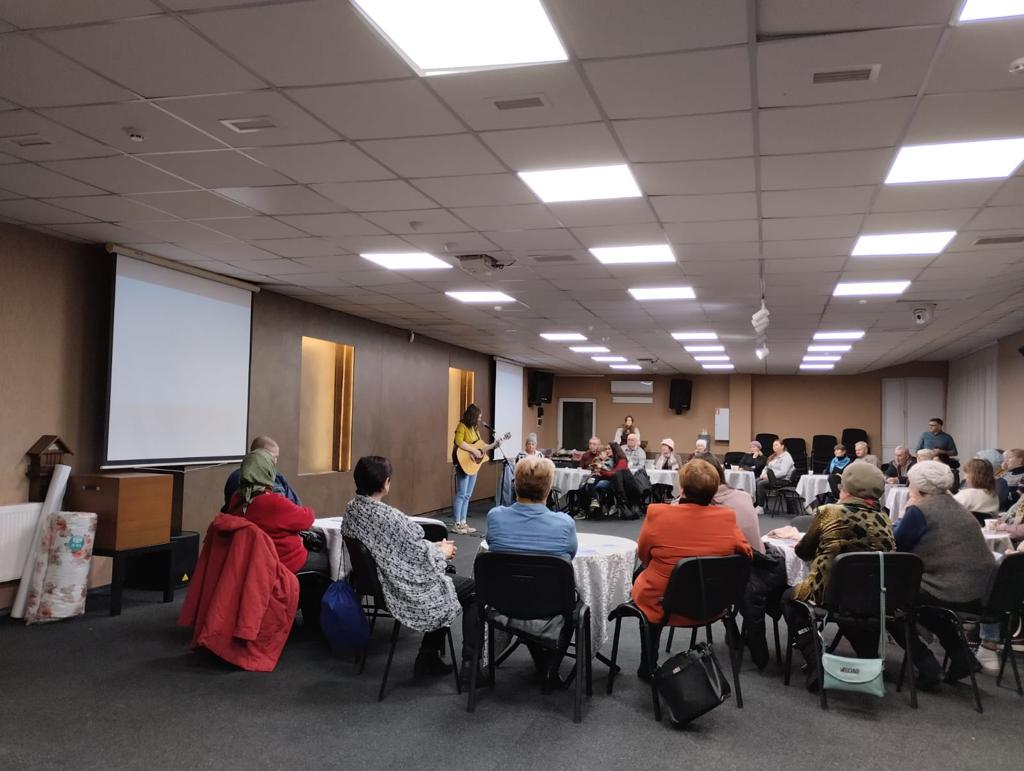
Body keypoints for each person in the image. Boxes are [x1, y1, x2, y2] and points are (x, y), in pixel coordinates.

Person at [342, 456, 480, 683]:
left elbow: (397, 548)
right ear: (385, 483)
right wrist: (442, 552)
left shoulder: (352, 509)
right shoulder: (390, 517)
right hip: (397, 588)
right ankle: (467, 668)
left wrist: (434, 548)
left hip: (376, 584)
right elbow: (414, 553)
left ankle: (429, 657)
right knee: (472, 590)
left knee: (443, 574)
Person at [632, 459, 753, 677]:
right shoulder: (727, 517)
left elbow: (643, 554)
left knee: (643, 580)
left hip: (663, 606)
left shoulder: (658, 514)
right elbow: (746, 553)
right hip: (712, 604)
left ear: (682, 488)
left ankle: (648, 664)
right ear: (714, 490)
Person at [781, 462, 895, 691]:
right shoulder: (884, 518)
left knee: (788, 598)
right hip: (872, 595)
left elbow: (803, 552)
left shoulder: (829, 511)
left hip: (828, 592)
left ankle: (815, 662)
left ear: (847, 488)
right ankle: (869, 660)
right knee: (852, 607)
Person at [893, 461, 995, 688]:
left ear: (918, 487)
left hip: (948, 588)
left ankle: (926, 664)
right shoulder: (957, 506)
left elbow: (896, 545)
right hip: (980, 591)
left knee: (886, 601)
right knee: (930, 607)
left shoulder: (920, 511)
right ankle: (962, 657)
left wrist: (902, 514)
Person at [486, 455, 578, 690]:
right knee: (575, 602)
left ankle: (542, 663)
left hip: (505, 600)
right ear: (549, 488)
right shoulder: (564, 523)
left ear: (515, 484)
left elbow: (493, 546)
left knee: (527, 590)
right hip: (551, 604)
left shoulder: (495, 517)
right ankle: (550, 668)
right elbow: (569, 556)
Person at [225, 449, 318, 573]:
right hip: (285, 562)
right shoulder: (273, 502)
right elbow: (307, 519)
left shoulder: (237, 498)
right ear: (268, 471)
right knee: (334, 562)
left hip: (252, 564)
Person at [452, 403, 503, 534]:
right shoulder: (462, 426)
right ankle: (456, 524)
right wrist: (473, 450)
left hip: (473, 465)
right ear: (473, 416)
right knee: (461, 493)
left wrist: (494, 445)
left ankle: (463, 522)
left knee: (468, 495)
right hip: (463, 463)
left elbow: (481, 446)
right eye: (479, 417)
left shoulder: (475, 429)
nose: (480, 419)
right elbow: (458, 442)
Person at [223, 435, 300, 512]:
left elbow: (297, 505)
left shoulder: (278, 476)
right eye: (271, 457)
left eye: (276, 457)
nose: (275, 461)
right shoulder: (241, 478)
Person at [582, 442, 628, 516]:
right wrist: (597, 470)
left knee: (599, 484)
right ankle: (589, 507)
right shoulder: (608, 459)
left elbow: (615, 474)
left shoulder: (621, 460)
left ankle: (599, 506)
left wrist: (601, 470)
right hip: (606, 478)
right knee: (586, 484)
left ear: (614, 450)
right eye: (606, 449)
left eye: (609, 449)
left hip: (616, 482)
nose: (607, 451)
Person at [754, 439, 795, 508]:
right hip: (772, 478)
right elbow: (766, 467)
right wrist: (762, 475)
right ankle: (755, 504)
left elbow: (783, 472)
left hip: (782, 480)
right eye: (773, 445)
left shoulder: (787, 457)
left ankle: (760, 507)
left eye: (776, 445)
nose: (774, 447)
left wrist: (770, 477)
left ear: (782, 446)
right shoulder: (773, 456)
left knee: (760, 483)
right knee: (756, 481)